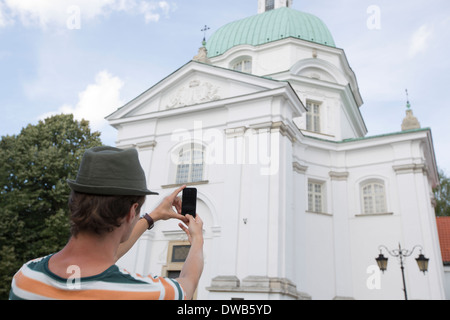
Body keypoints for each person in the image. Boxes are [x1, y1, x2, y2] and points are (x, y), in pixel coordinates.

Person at [9, 146, 204, 300]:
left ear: (74, 203)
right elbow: (188, 282)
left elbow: (102, 257)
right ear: (130, 213)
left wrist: (151, 216)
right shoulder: (146, 293)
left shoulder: (25, 277)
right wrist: (197, 240)